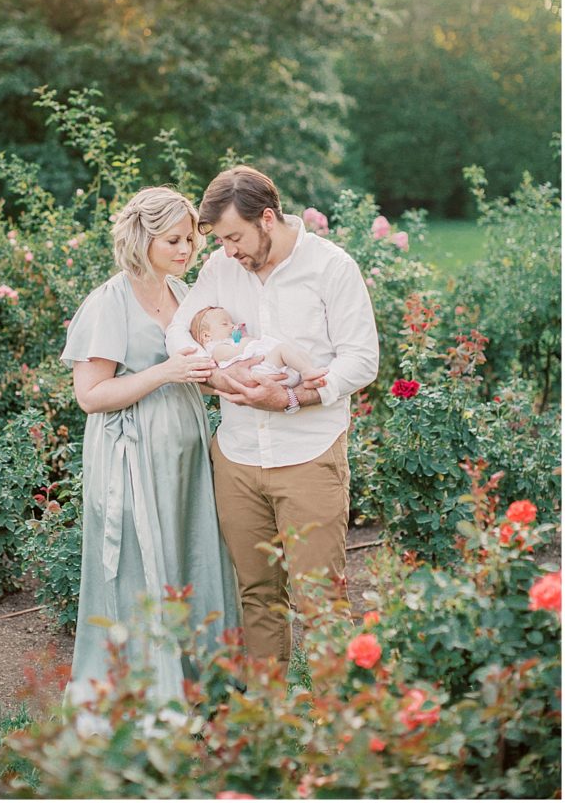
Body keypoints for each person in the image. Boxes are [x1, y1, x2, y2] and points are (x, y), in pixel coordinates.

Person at [165, 166, 379, 676]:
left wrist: (288, 398)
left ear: (267, 218)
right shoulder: (221, 269)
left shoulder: (331, 268)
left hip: (308, 457)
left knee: (321, 602)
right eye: (219, 240)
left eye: (234, 237)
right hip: (236, 457)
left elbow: (361, 360)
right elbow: (179, 332)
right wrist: (220, 379)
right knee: (257, 597)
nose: (228, 251)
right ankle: (267, 729)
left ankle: (337, 734)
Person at [61, 186, 240, 707]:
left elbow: (196, 373)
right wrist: (167, 371)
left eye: (190, 240)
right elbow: (90, 396)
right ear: (143, 238)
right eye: (174, 240)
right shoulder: (109, 302)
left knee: (193, 554)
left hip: (186, 456)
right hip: (132, 458)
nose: (186, 250)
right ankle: (147, 691)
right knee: (143, 565)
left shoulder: (184, 295)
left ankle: (201, 680)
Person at [190, 305, 328, 388]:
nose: (232, 326)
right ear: (207, 336)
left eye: (232, 322)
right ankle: (306, 372)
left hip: (269, 368)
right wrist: (244, 339)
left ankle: (308, 376)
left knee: (299, 353)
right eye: (225, 324)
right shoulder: (217, 349)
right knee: (282, 349)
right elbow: (239, 352)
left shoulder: (229, 342)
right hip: (262, 371)